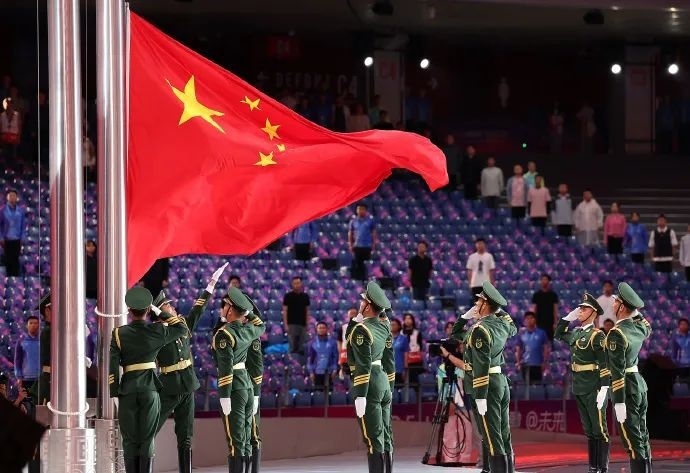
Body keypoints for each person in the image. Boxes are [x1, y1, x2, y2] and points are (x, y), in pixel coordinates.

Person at [153, 263, 226, 473]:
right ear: (161, 311)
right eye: (167, 306)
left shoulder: (183, 325)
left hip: (187, 386)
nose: (172, 307)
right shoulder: (156, 333)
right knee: (150, 430)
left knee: (185, 435)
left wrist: (211, 283)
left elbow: (198, 308)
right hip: (168, 387)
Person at [109, 287, 189, 473]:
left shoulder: (119, 334)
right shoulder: (158, 330)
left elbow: (112, 366)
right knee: (147, 438)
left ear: (129, 310)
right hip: (150, 389)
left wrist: (114, 392)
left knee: (129, 439)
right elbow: (182, 329)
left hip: (127, 390)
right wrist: (159, 311)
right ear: (147, 310)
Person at [451, 282, 517, 473]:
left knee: (491, 434)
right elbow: (513, 327)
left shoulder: (480, 330)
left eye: (479, 301)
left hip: (485, 385)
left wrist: (480, 396)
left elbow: (481, 365)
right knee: (503, 431)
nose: (475, 304)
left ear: (486, 304)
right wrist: (496, 310)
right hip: (500, 381)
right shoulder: (502, 325)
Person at [212, 287, 266, 473]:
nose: (222, 309)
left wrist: (224, 395)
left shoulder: (224, 334)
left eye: (225, 306)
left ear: (230, 310)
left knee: (235, 441)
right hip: (247, 385)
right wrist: (248, 312)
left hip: (234, 388)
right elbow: (261, 325)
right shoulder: (248, 330)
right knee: (246, 438)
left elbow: (226, 367)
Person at [554, 293, 610, 473]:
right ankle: (593, 467)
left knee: (599, 429)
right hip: (579, 386)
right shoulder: (576, 333)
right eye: (579, 308)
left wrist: (605, 388)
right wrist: (567, 318)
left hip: (594, 387)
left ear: (593, 313)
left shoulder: (597, 336)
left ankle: (602, 467)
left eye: (584, 309)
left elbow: (605, 364)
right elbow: (558, 334)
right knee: (589, 430)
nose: (580, 311)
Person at [347, 281, 395, 473]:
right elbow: (389, 360)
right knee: (386, 434)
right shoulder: (384, 327)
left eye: (363, 301)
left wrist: (360, 394)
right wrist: (390, 386)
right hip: (383, 380)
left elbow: (363, 364)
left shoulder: (361, 329)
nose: (360, 304)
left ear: (367, 306)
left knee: (373, 438)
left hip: (369, 384)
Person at [605, 283, 652, 473]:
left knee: (632, 441)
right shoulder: (638, 328)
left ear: (622, 307)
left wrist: (618, 402)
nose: (613, 303)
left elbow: (617, 371)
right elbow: (647, 326)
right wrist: (635, 311)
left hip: (626, 389)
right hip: (639, 385)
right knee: (642, 435)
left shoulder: (616, 334)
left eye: (616, 301)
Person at [245, 295, 265, 473]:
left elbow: (257, 367)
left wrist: (256, 393)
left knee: (252, 431)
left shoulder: (251, 336)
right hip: (239, 386)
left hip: (250, 387)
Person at [515, 312, 550, 384]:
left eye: (531, 318)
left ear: (535, 320)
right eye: (527, 318)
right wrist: (518, 363)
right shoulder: (521, 334)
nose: (529, 320)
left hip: (538, 365)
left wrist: (545, 362)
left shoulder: (541, 333)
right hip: (525, 365)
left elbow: (546, 349)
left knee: (537, 386)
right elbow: (518, 349)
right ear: (524, 321)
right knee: (526, 386)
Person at [0, 189, 26, 277]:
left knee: (16, 262)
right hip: (6, 240)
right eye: (10, 195)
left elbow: (23, 225)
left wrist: (22, 237)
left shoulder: (20, 211)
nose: (12, 197)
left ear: (17, 198)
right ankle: (9, 280)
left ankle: (15, 280)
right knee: (8, 262)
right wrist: (1, 238)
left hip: (17, 240)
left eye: (14, 195)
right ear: (7, 197)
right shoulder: (2, 210)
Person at [282, 276, 311, 355]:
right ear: (292, 284)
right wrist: (286, 324)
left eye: (298, 283)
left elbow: (307, 311)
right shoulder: (288, 296)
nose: (296, 285)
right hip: (291, 324)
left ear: (301, 284)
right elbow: (285, 311)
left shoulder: (305, 296)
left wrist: (307, 323)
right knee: (292, 348)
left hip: (302, 324)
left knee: (301, 348)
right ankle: (292, 361)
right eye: (295, 283)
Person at [348, 203, 378, 281]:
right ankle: (359, 281)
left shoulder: (370, 221)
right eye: (359, 209)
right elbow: (350, 234)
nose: (361, 211)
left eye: (362, 209)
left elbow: (374, 233)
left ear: (365, 210)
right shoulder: (353, 221)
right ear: (356, 210)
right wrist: (350, 245)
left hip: (367, 246)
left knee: (367, 265)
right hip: (357, 246)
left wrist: (374, 244)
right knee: (357, 265)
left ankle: (367, 280)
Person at [306, 322, 339, 390]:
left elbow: (335, 357)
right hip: (317, 372)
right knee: (318, 393)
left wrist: (335, 369)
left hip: (329, 372)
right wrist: (311, 372)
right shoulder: (312, 343)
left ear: (327, 329)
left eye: (323, 328)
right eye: (320, 328)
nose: (321, 329)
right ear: (316, 329)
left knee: (329, 392)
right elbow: (310, 359)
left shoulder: (333, 343)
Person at [14, 315, 40, 390]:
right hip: (26, 378)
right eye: (31, 323)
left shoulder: (42, 340)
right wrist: (19, 377)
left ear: (39, 325)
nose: (33, 325)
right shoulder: (21, 341)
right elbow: (17, 361)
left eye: (35, 323)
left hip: (41, 378)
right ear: (26, 325)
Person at [531, 274, 559, 340]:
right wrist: (534, 322)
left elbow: (555, 310)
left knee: (549, 340)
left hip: (550, 322)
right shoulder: (536, 295)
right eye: (542, 280)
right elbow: (534, 310)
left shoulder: (553, 295)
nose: (544, 281)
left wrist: (555, 323)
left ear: (549, 281)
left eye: (546, 279)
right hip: (539, 322)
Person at [402, 313, 423, 387]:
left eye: (409, 318)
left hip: (414, 359)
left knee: (413, 379)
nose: (407, 320)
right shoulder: (400, 332)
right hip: (403, 358)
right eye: (406, 319)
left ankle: (415, 392)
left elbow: (420, 346)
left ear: (413, 320)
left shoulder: (417, 332)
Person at [390, 318, 409, 386]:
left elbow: (406, 354)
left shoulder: (403, 339)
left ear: (399, 326)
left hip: (399, 369)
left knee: (399, 388)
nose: (392, 326)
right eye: (391, 325)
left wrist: (405, 369)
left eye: (394, 325)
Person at [672, 318, 690, 382]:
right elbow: (674, 353)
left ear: (688, 326)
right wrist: (675, 363)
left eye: (685, 324)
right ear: (679, 326)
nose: (683, 326)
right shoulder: (675, 338)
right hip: (681, 365)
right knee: (682, 382)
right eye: (681, 324)